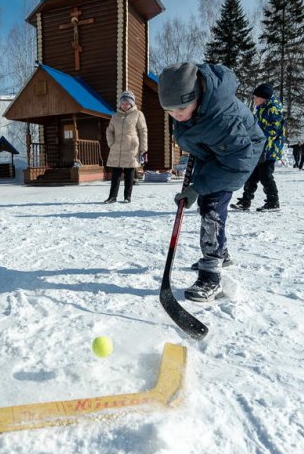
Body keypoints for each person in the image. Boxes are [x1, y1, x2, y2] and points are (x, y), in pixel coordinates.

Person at [157, 63, 265, 301]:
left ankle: (211, 275)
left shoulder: (224, 118)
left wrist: (198, 187)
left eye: (181, 109)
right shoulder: (190, 109)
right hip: (215, 152)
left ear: (197, 95)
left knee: (211, 206)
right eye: (170, 111)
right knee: (205, 196)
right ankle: (222, 254)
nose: (177, 115)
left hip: (238, 156)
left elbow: (237, 163)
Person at [230, 82, 284, 212]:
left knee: (265, 175)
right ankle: (245, 201)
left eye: (256, 97)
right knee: (252, 175)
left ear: (264, 98)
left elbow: (273, 131)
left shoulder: (273, 110)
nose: (254, 100)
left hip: (269, 150)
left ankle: (273, 202)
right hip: (259, 148)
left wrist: (262, 144)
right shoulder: (262, 109)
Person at [103, 90, 148, 204]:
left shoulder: (138, 114)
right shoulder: (115, 116)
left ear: (132, 103)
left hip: (131, 148)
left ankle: (127, 197)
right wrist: (111, 143)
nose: (125, 104)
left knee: (129, 173)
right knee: (116, 174)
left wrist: (143, 148)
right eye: (123, 102)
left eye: (127, 102)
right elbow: (109, 130)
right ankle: (112, 197)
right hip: (116, 148)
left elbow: (143, 131)